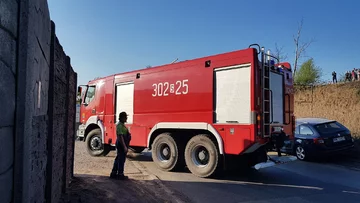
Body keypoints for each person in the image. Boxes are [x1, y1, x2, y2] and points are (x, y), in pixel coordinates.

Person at [110, 111, 131, 180]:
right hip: (121, 144)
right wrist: (124, 146)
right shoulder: (119, 125)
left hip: (122, 143)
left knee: (118, 158)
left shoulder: (122, 125)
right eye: (125, 117)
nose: (126, 118)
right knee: (121, 159)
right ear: (122, 118)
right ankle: (120, 174)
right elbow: (120, 136)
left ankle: (114, 173)